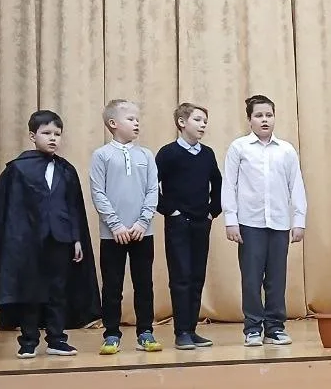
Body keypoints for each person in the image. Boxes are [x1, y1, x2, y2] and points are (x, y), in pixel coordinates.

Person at [0, 110, 100, 358]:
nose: (53, 138)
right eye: (46, 133)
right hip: (28, 242)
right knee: (30, 290)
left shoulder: (66, 169)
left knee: (58, 290)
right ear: (33, 136)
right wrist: (15, 241)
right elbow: (9, 209)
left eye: (57, 134)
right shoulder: (18, 169)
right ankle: (28, 340)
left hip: (60, 239)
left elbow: (73, 206)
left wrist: (76, 238)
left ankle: (57, 339)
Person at [223, 94, 307, 347]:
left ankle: (274, 327)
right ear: (249, 120)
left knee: (276, 279)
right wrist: (231, 219)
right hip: (250, 223)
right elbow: (229, 185)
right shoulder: (239, 148)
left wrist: (299, 220)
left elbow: (296, 185)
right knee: (251, 279)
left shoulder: (286, 150)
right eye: (258, 115)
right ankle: (252, 328)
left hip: (279, 223)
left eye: (269, 115)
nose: (264, 120)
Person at [90, 99, 160, 355]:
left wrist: (143, 221)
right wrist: (116, 225)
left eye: (137, 119)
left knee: (144, 285)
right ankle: (111, 334)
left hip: (143, 232)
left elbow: (152, 190)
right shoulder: (101, 155)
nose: (136, 123)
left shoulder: (146, 155)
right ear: (113, 123)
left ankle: (146, 332)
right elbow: (98, 193)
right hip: (113, 235)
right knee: (112, 286)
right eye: (130, 119)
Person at [155, 102, 222, 350]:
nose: (203, 125)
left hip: (201, 223)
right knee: (180, 276)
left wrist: (212, 212)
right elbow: (152, 186)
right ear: (182, 123)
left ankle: (191, 330)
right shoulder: (168, 153)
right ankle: (181, 331)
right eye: (197, 120)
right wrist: (170, 211)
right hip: (178, 224)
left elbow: (218, 183)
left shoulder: (207, 154)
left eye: (205, 121)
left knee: (196, 276)